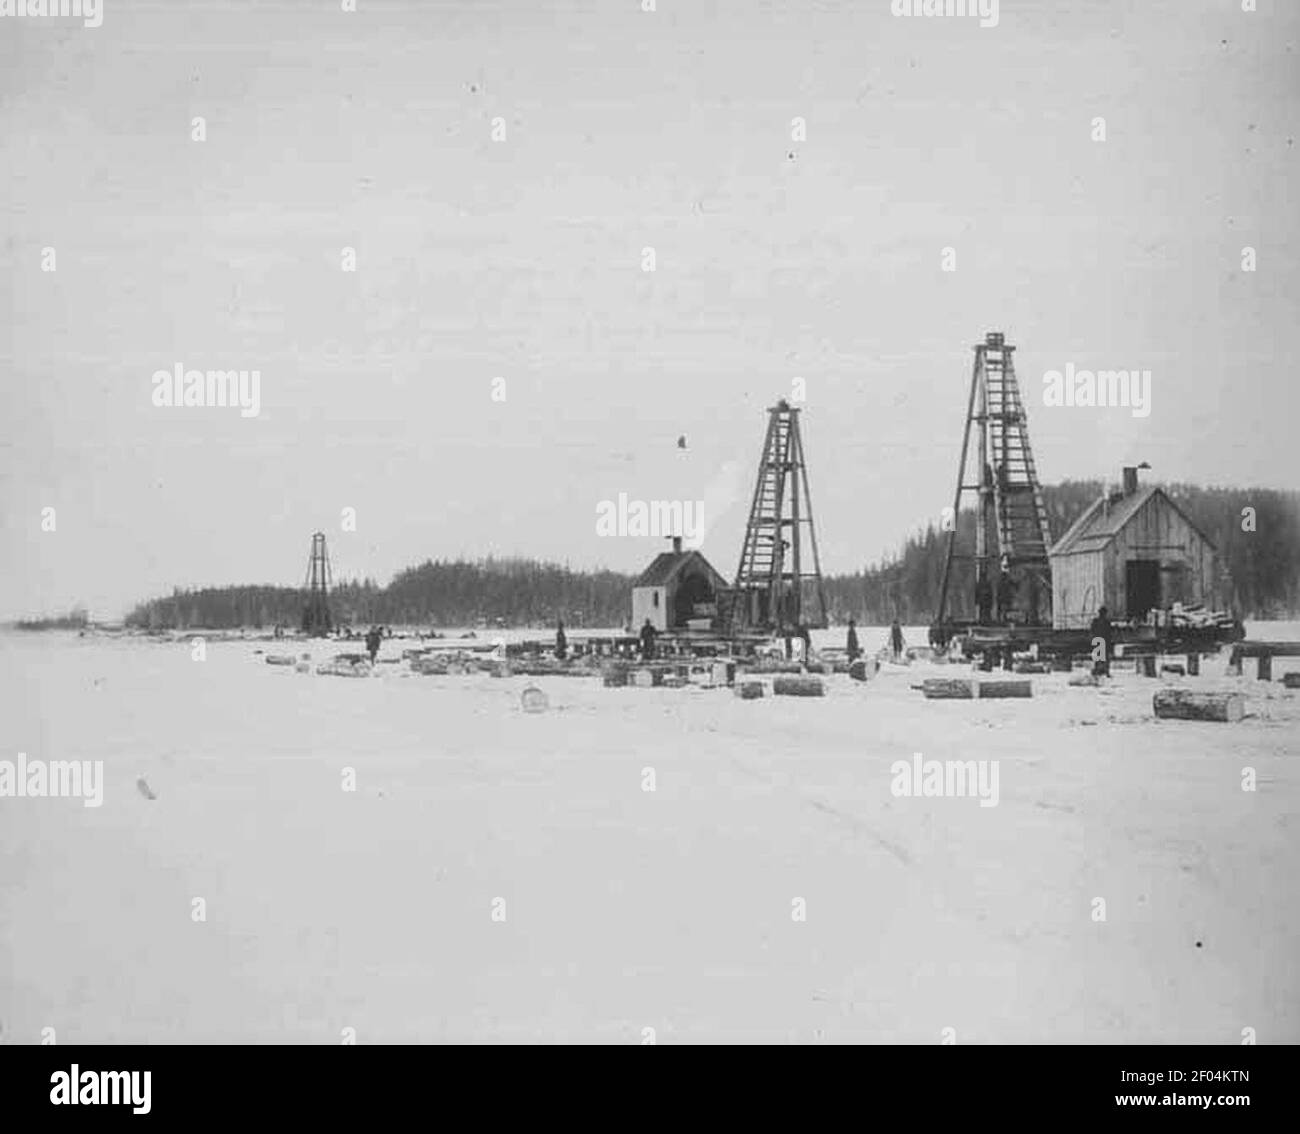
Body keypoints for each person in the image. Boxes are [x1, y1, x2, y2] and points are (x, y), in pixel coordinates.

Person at [1089, 606, 1114, 677]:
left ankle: (1098, 671)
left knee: (1098, 658)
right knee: (1105, 658)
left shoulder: (1095, 621)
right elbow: (1109, 633)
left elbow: (1092, 631)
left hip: (1097, 641)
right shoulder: (1107, 622)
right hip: (1104, 641)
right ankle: (1105, 672)